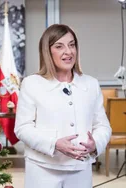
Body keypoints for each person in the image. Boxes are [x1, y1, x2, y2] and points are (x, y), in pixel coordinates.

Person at [14, 24, 112, 188]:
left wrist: (95, 143)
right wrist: (54, 143)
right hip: (42, 169)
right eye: (59, 46)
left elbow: (103, 126)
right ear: (47, 51)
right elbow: (22, 128)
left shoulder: (91, 84)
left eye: (72, 45)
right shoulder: (32, 84)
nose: (68, 52)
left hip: (80, 169)